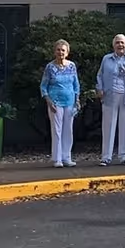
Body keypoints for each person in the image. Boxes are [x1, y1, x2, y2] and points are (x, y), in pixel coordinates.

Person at [96, 34, 125, 166]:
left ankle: (124, 155)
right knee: (108, 126)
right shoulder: (107, 59)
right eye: (117, 43)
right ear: (113, 45)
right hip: (110, 94)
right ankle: (106, 156)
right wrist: (99, 88)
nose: (120, 45)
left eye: (122, 43)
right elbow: (100, 74)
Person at [40, 38, 80, 168]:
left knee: (68, 129)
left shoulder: (72, 66)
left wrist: (77, 99)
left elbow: (76, 84)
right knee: (57, 130)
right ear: (54, 52)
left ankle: (66, 157)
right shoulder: (50, 67)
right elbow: (43, 86)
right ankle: (57, 158)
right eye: (58, 50)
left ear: (67, 52)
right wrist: (48, 100)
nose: (60, 52)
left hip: (70, 101)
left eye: (63, 50)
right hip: (55, 102)